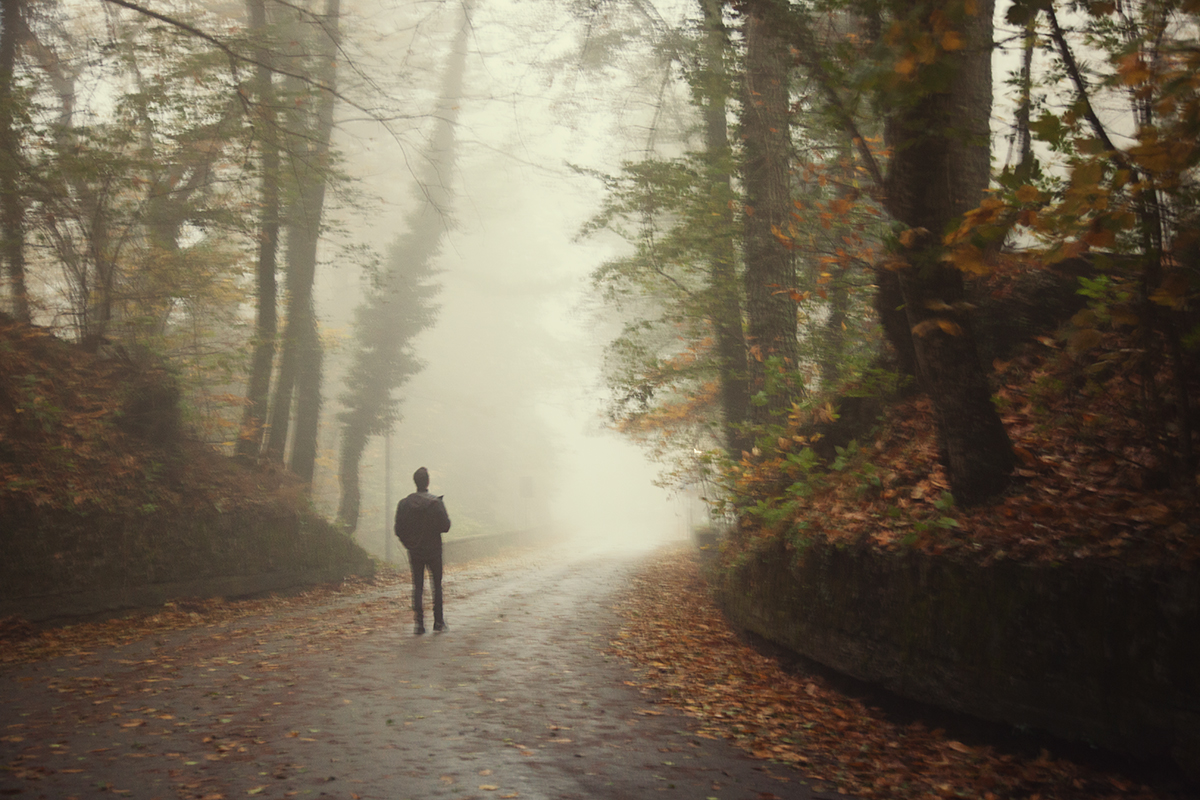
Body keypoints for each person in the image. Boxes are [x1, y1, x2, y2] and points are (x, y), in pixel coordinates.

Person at [394, 467, 452, 635]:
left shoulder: (404, 504)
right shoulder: (436, 503)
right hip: (434, 550)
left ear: (415, 482)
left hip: (415, 551)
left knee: (418, 586)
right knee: (437, 586)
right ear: (427, 482)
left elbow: (398, 529)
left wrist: (409, 544)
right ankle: (438, 622)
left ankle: (419, 624)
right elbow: (446, 527)